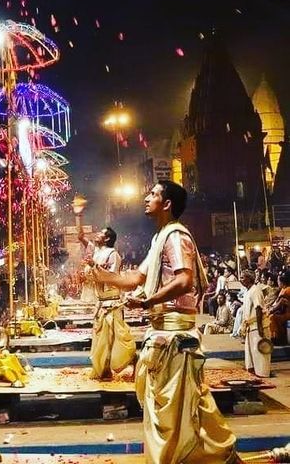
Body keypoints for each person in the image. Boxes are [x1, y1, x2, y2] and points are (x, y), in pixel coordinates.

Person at [93, 180, 240, 464]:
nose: (146, 198)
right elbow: (136, 278)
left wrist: (148, 302)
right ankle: (218, 454)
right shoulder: (160, 237)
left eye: (153, 194)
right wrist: (104, 276)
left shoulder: (175, 237)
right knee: (178, 404)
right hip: (160, 336)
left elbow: (184, 280)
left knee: (178, 409)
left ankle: (207, 455)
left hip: (175, 337)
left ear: (167, 203)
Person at [78, 226, 134, 379]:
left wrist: (93, 266)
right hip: (101, 302)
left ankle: (133, 363)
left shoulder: (113, 255)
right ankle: (104, 370)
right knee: (101, 340)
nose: (97, 234)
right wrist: (78, 214)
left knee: (116, 340)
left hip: (112, 303)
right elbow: (81, 237)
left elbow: (111, 277)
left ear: (107, 238)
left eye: (101, 233)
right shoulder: (96, 252)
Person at [240, 270, 272, 377]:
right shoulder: (248, 291)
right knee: (252, 352)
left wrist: (260, 328)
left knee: (260, 351)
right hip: (250, 326)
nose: (241, 280)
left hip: (257, 326)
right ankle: (255, 373)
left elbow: (258, 308)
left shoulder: (255, 290)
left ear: (249, 279)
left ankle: (262, 374)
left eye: (243, 277)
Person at [268, 270, 290, 345]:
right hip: (283, 312)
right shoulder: (283, 289)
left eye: (278, 280)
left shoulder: (287, 290)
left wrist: (271, 310)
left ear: (282, 281)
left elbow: (281, 302)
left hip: (287, 314)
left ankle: (277, 339)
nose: (277, 282)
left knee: (272, 317)